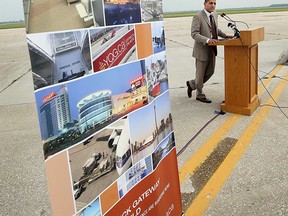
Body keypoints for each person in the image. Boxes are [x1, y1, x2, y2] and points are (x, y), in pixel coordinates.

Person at [186, 0, 233, 103]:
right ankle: (200, 94)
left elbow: (216, 29)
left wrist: (225, 36)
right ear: (205, 4)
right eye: (211, 3)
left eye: (215, 3)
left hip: (213, 48)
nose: (213, 5)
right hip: (202, 49)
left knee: (210, 72)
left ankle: (192, 84)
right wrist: (207, 40)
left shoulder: (214, 14)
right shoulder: (198, 16)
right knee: (200, 74)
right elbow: (194, 34)